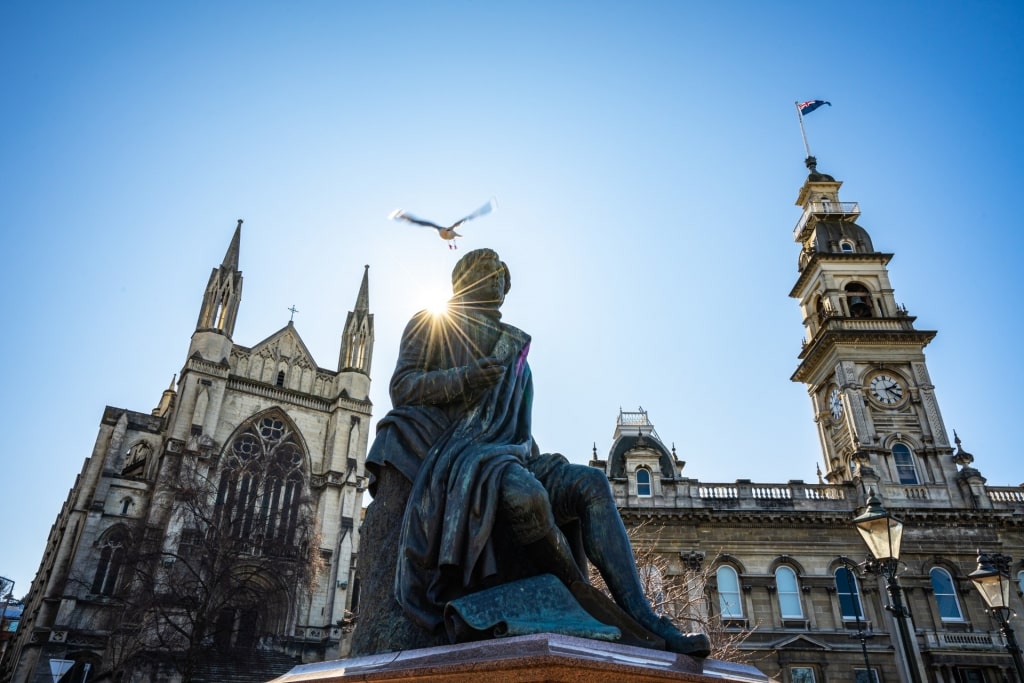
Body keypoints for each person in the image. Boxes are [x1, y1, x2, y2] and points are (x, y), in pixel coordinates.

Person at [357, 248, 709, 657]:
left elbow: (522, 431)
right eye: (490, 272)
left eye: (502, 276)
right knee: (526, 497)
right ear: (464, 279)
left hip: (511, 455)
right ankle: (576, 595)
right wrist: (465, 378)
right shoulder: (432, 323)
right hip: (457, 455)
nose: (499, 281)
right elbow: (403, 387)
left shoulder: (517, 354)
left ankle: (644, 618)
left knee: (592, 483)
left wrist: (528, 457)